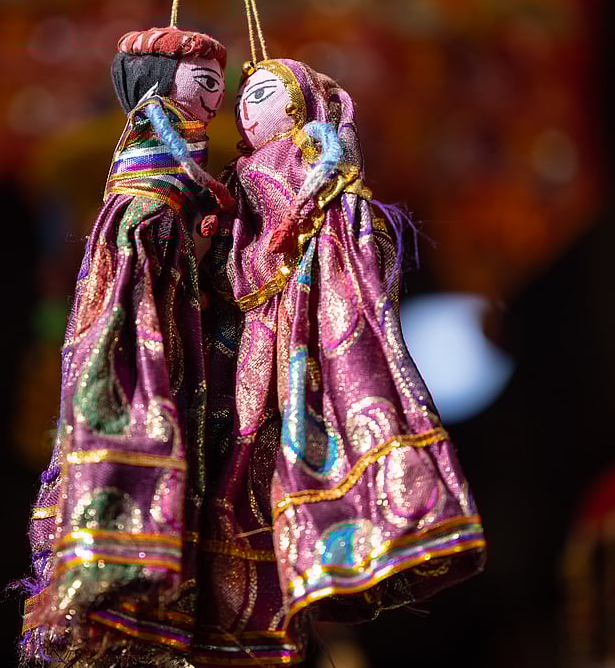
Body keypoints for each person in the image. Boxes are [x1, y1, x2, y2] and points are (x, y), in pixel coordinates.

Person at [197, 58, 486, 663]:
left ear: (303, 103)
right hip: (248, 332)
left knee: (296, 431)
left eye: (266, 94)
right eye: (243, 100)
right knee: (237, 455)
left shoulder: (309, 157)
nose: (247, 110)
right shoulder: (241, 174)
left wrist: (303, 217)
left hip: (294, 312)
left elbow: (316, 204)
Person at [20, 27, 230, 666]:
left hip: (148, 278)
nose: (217, 94)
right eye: (204, 79)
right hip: (127, 281)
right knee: (112, 397)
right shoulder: (134, 171)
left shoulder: (136, 180)